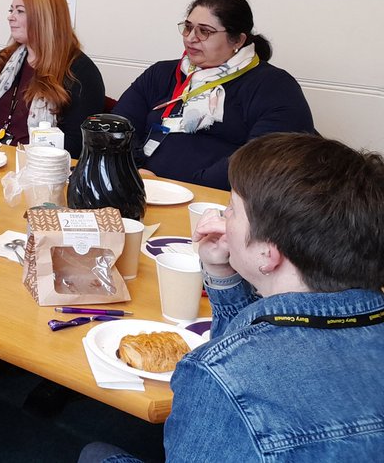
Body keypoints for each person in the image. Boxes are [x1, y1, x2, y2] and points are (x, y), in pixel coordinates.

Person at [79, 133, 384, 463]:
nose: (220, 221)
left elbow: (237, 370)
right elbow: (252, 349)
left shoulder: (216, 375)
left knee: (96, 454)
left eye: (231, 210)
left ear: (268, 254)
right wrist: (223, 274)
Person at [112, 0, 314, 189]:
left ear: (238, 40)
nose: (191, 38)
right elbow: (116, 128)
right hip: (142, 185)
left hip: (216, 200)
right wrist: (135, 170)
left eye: (204, 31)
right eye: (188, 28)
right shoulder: (161, 73)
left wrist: (192, 186)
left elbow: (261, 161)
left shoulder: (273, 86)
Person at [0, 0, 104, 157]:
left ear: (44, 18)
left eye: (20, 11)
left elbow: (78, 145)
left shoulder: (80, 71)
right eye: (11, 10)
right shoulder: (6, 59)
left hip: (39, 172)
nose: (10, 16)